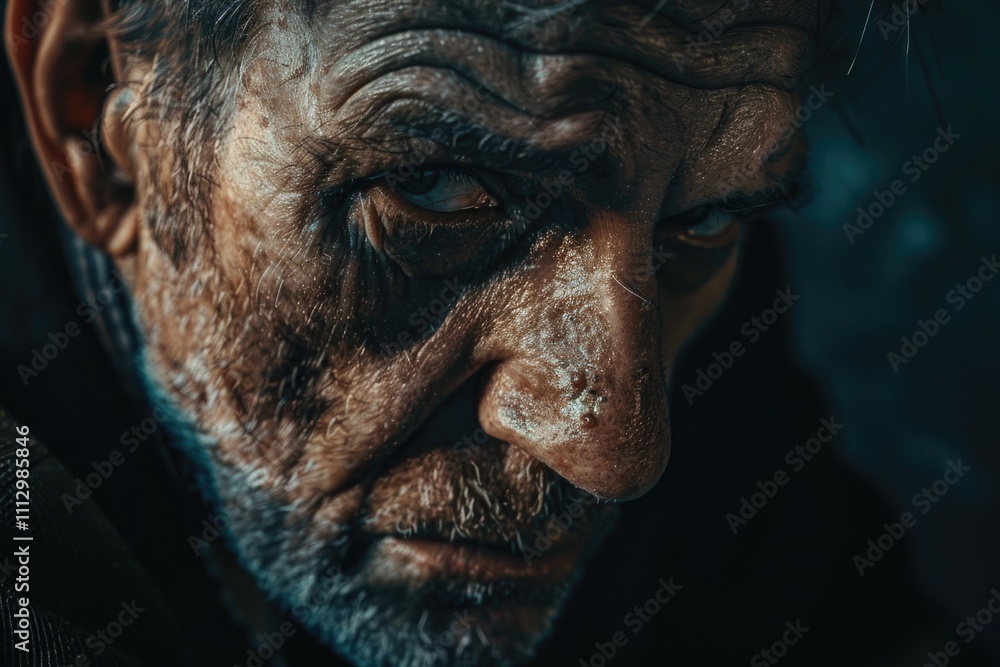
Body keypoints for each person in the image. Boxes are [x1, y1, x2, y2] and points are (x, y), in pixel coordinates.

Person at [2, 1, 981, 665]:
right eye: (438, 192)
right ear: (102, 114)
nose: (616, 448)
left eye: (705, 221)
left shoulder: (650, 248)